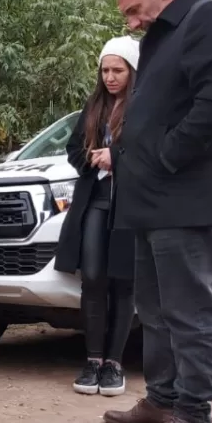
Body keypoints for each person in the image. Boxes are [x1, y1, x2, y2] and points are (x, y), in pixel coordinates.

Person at [102, 0, 212, 423]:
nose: (131, 23)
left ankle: (193, 419)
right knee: (155, 310)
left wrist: (167, 155)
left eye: (134, 10)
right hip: (150, 201)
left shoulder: (211, 18)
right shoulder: (162, 36)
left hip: (186, 198)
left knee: (189, 312)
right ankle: (162, 400)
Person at [54, 35, 140, 397]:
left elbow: (151, 154)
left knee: (123, 281)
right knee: (92, 278)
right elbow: (73, 149)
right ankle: (92, 361)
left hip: (130, 205)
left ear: (132, 71)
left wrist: (116, 157)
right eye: (105, 70)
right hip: (94, 200)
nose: (110, 77)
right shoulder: (94, 105)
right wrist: (92, 156)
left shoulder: (144, 106)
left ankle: (114, 364)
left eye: (117, 70)